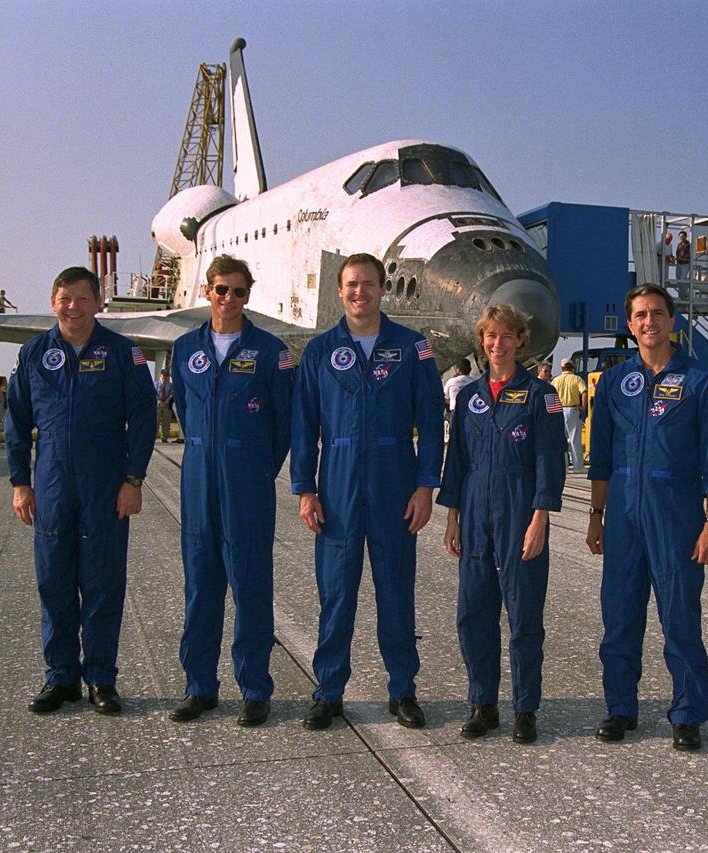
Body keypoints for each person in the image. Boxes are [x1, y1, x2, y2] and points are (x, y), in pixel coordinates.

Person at [291, 252, 444, 731]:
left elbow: (432, 422)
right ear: (340, 291)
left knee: (396, 593)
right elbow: (303, 424)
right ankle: (328, 691)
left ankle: (403, 690)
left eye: (369, 284)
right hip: (336, 485)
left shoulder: (412, 347)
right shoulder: (319, 352)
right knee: (336, 593)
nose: (360, 292)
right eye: (352, 284)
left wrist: (425, 486)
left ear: (383, 289)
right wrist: (305, 488)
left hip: (394, 480)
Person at [585, 283, 708, 750]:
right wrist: (596, 515)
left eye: (657, 314)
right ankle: (620, 708)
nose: (649, 322)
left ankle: (687, 712)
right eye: (640, 315)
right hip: (625, 518)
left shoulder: (699, 380)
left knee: (680, 617)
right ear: (630, 326)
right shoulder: (614, 382)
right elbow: (603, 457)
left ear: (672, 321)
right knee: (620, 617)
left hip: (677, 516)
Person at [7, 266, 156, 716]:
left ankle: (102, 680)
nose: (73, 306)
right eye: (65, 298)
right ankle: (61, 679)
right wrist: (20, 483)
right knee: (54, 581)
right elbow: (16, 423)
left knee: (103, 583)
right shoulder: (34, 354)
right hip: (52, 485)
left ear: (98, 303)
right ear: (54, 302)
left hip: (106, 487)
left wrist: (133, 479)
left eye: (82, 298)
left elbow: (144, 418)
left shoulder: (122, 353)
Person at [169, 255, 295, 726]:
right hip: (199, 476)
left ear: (248, 295)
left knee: (251, 586)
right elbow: (184, 408)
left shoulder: (270, 350)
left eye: (238, 291)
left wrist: (261, 470)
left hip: (248, 480)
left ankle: (255, 688)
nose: (229, 299)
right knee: (201, 587)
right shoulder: (185, 349)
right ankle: (199, 687)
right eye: (221, 289)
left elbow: (284, 422)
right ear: (208, 291)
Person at [439, 305, 566, 743]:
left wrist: (540, 520)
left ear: (520, 340)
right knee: (474, 612)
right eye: (491, 336)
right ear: (482, 340)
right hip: (474, 510)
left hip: (519, 509)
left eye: (507, 336)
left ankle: (525, 708)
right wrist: (452, 517)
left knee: (524, 613)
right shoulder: (469, 396)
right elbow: (456, 460)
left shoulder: (539, 394)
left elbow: (550, 460)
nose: (498, 344)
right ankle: (483, 704)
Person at [551, 358, 588, 471]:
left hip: (558, 410)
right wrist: (583, 407)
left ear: (562, 368)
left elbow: (551, 396)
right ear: (572, 367)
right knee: (574, 439)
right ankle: (577, 466)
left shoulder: (555, 381)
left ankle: (564, 466)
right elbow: (584, 393)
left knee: (561, 439)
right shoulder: (577, 379)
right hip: (572, 410)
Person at [156, 369, 175, 442]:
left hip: (167, 405)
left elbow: (171, 394)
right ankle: (154, 436)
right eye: (164, 376)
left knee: (166, 421)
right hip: (157, 405)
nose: (166, 378)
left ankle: (164, 438)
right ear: (161, 375)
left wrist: (166, 402)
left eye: (167, 376)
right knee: (156, 421)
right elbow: (153, 394)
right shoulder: (156, 384)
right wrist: (159, 402)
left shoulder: (170, 385)